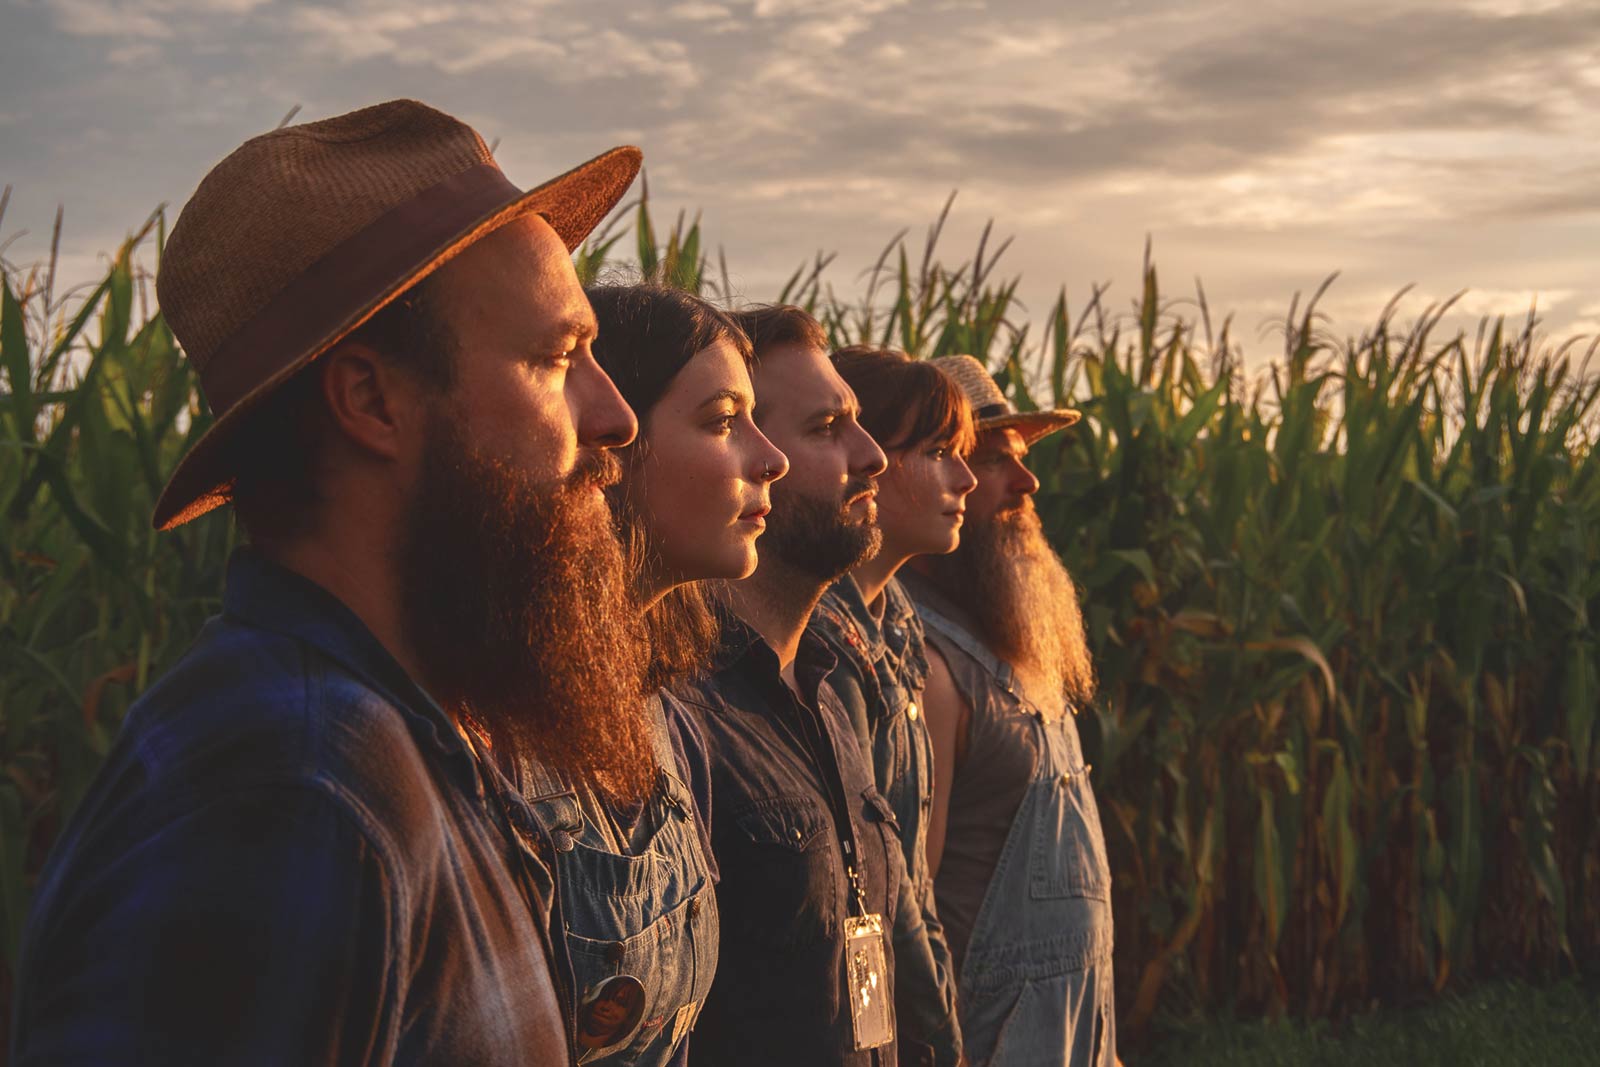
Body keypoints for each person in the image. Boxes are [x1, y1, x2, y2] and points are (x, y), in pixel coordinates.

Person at [10, 100, 647, 1065]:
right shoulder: (294, 794)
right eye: (555, 359)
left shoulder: (404, 738)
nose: (616, 416)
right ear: (371, 399)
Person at [516, 283, 787, 1066]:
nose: (771, 458)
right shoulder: (495, 731)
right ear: (612, 445)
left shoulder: (663, 715)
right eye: (723, 422)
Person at [673, 305, 911, 1067]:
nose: (873, 455)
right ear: (754, 455)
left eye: (859, 422)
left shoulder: (833, 700)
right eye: (827, 428)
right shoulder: (680, 718)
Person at [900, 354, 1115, 1067]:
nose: (1028, 481)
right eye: (994, 460)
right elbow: (911, 912)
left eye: (1019, 459)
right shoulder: (928, 668)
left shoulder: (1018, 642)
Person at [809, 346, 976, 1067]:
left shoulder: (898, 635)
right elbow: (876, 896)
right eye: (938, 451)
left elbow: (915, 877)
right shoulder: (824, 652)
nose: (965, 477)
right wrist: (928, 1040)